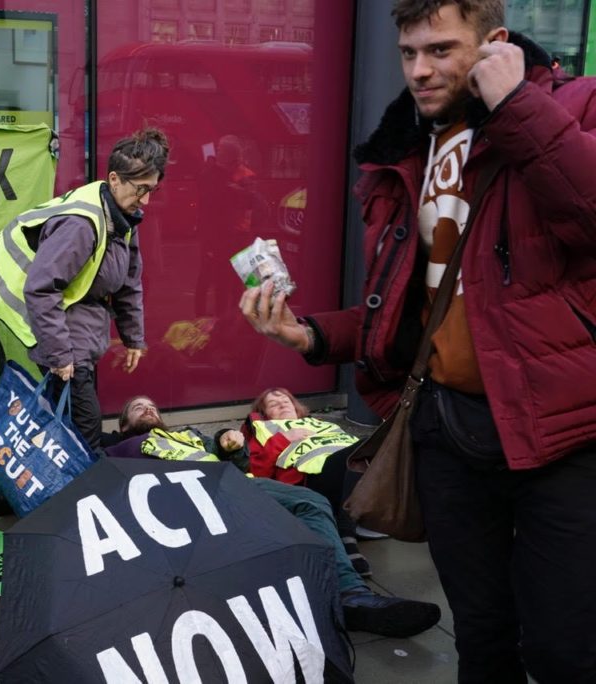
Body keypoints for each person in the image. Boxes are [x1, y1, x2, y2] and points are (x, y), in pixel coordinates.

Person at [240, 1, 596, 681]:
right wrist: (309, 332)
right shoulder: (404, 152)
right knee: (483, 635)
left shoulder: (572, 107)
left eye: (440, 49)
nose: (420, 71)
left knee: (564, 646)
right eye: (408, 53)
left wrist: (516, 105)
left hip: (562, 433)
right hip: (449, 433)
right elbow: (409, 310)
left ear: (494, 43)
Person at [106, 396, 441, 639]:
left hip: (233, 486)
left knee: (309, 502)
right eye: (138, 407)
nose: (149, 408)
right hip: (182, 502)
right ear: (123, 425)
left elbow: (239, 467)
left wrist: (229, 446)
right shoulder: (115, 450)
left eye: (152, 405)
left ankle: (351, 594)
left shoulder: (190, 435)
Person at [0, 128, 169, 456]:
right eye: (141, 189)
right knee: (84, 424)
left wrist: (133, 337)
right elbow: (40, 288)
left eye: (152, 190)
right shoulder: (82, 225)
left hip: (79, 317)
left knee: (71, 420)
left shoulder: (123, 216)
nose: (146, 200)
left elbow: (128, 282)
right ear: (115, 180)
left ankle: (72, 483)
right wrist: (59, 354)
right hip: (52, 320)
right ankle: (77, 490)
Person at [244, 387, 377, 575]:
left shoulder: (320, 424)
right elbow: (257, 472)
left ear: (296, 406)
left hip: (350, 477)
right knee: (362, 449)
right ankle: (347, 537)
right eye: (273, 404)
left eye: (286, 401)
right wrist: (282, 439)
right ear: (265, 415)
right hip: (313, 483)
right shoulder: (264, 433)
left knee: (374, 447)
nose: (282, 404)